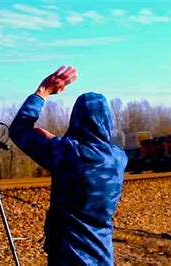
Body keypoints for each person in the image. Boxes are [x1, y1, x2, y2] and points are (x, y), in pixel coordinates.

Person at [9, 66, 128, 265]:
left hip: (69, 256)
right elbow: (88, 153)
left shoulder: (67, 154)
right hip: (102, 254)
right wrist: (58, 141)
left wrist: (43, 91)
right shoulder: (118, 158)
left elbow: (19, 130)